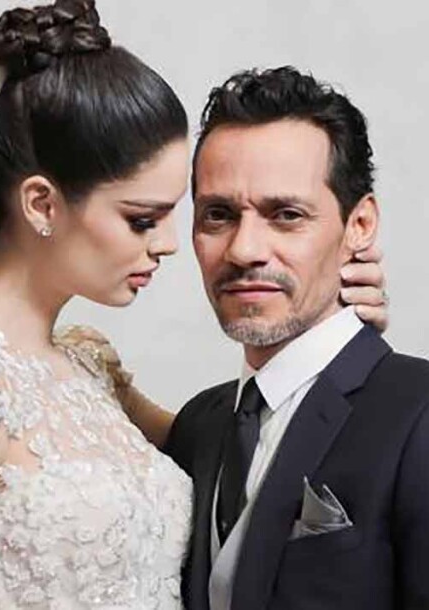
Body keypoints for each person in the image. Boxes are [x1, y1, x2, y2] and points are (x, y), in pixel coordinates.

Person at [0, 2, 386, 608]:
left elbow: (242, 451)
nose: (170, 243)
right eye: (142, 219)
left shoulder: (90, 366)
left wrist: (332, 327)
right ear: (42, 204)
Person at [158, 66, 429, 610]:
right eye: (218, 215)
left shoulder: (419, 414)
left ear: (359, 226)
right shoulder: (197, 426)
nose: (244, 250)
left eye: (286, 215)